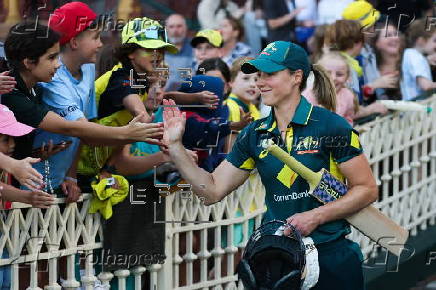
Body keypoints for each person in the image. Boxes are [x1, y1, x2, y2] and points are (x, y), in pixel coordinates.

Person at [163, 41, 378, 290]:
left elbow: (367, 189)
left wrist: (316, 216)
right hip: (279, 258)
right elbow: (211, 191)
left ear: (296, 76)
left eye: (270, 74)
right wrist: (176, 148)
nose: (260, 82)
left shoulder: (332, 126)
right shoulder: (254, 133)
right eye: (258, 75)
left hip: (331, 256)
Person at [1, 22, 163, 169]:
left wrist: (35, 154)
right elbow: (69, 127)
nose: (58, 64)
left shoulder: (36, 88)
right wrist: (126, 133)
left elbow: (83, 132)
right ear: (29, 63)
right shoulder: (10, 94)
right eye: (51, 58)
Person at [0, 104, 54, 290]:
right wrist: (26, 196)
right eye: (5, 139)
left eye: (12, 139)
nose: (12, 145)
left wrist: (30, 197)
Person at [303, 52, 357, 125]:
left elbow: (348, 119)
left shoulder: (348, 96)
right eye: (327, 73)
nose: (333, 78)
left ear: (347, 77)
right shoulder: (309, 96)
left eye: (339, 74)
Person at [400, 18, 436, 100]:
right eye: (434, 41)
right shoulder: (414, 56)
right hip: (415, 109)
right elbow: (425, 85)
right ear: (421, 41)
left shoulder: (411, 54)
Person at [165, 14, 194, 90]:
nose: (175, 30)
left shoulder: (195, 48)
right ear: (166, 29)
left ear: (185, 28)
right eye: (171, 27)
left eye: (179, 26)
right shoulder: (158, 50)